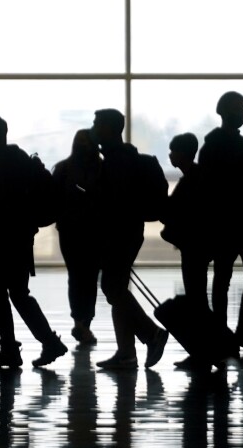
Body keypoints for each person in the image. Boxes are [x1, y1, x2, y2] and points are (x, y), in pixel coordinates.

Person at [0, 115, 69, 368]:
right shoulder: (21, 159)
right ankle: (39, 343)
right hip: (21, 236)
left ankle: (17, 347)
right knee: (17, 294)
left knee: (2, 295)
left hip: (4, 240)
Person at [92, 108, 170, 370]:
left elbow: (112, 202)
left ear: (110, 129)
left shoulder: (115, 162)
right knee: (117, 289)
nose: (94, 128)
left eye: (97, 124)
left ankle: (150, 334)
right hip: (128, 231)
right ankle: (126, 352)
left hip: (117, 233)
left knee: (113, 290)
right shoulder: (125, 158)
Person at [197, 92, 243, 349]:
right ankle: (241, 327)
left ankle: (221, 331)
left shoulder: (211, 147)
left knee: (222, 278)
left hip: (223, 223)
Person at [51, 129, 105, 347]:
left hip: (70, 231)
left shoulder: (64, 169)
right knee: (89, 278)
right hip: (94, 231)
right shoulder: (103, 169)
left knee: (76, 276)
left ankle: (79, 321)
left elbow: (53, 198)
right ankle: (84, 323)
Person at [159, 132, 209, 307]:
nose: (170, 154)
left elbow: (172, 210)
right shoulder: (197, 177)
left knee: (194, 287)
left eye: (173, 150)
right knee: (198, 288)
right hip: (198, 243)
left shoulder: (190, 181)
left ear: (182, 153)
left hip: (193, 245)